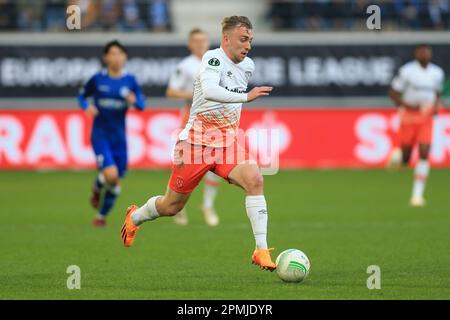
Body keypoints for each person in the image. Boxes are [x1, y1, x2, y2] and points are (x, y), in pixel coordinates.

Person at [121, 16, 277, 271]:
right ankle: (135, 216)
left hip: (227, 142)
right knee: (171, 206)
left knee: (255, 179)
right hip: (196, 144)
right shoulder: (212, 59)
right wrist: (246, 97)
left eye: (250, 40)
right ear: (226, 39)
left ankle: (261, 249)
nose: (248, 45)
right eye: (243, 39)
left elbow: (229, 103)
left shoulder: (248, 65)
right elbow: (210, 91)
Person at [78, 40, 146, 226]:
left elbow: (141, 105)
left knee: (115, 182)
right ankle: (99, 191)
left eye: (119, 54)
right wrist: (87, 106)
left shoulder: (130, 80)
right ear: (105, 57)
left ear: (124, 57)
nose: (116, 57)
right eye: (112, 54)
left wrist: (134, 100)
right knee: (112, 175)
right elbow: (82, 96)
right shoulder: (97, 79)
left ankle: (100, 214)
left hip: (119, 138)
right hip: (100, 135)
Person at [166, 28, 220, 226]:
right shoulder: (185, 66)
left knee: (216, 162)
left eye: (203, 40)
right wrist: (192, 95)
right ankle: (178, 206)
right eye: (196, 41)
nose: (200, 44)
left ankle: (207, 205)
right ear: (190, 44)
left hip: (214, 120)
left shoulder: (217, 62)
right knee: (184, 165)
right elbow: (171, 91)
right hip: (191, 120)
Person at [388, 44, 445, 207]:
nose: (424, 55)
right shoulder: (407, 71)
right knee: (406, 158)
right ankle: (399, 155)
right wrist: (407, 105)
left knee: (424, 153)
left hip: (426, 117)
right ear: (416, 54)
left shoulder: (437, 73)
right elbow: (393, 92)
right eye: (421, 52)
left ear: (431, 54)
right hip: (409, 116)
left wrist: (436, 106)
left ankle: (417, 195)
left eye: (426, 52)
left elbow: (437, 93)